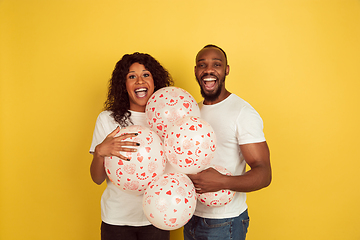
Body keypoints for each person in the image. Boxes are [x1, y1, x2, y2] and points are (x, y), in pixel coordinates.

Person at [185, 45, 272, 240]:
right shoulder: (191, 112)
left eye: (216, 64)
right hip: (189, 214)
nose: (209, 70)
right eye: (202, 65)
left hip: (225, 222)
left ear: (226, 70)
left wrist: (223, 182)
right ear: (196, 71)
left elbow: (264, 173)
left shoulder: (242, 112)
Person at [89, 52, 173, 240]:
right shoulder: (108, 120)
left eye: (146, 74)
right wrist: (99, 153)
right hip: (117, 220)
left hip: (157, 216)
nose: (139, 81)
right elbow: (97, 179)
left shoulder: (167, 120)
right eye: (131, 76)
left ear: (155, 81)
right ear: (123, 85)